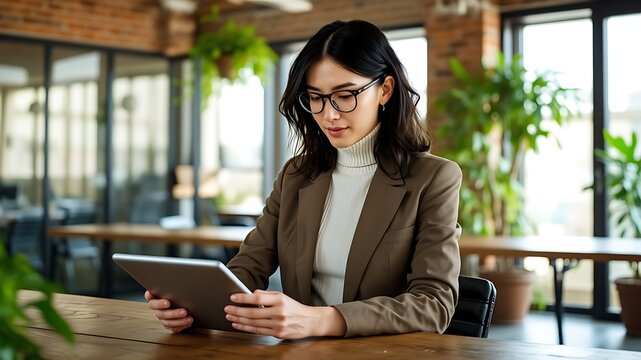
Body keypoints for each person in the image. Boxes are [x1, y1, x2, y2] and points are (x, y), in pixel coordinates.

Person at [146, 19, 462, 339]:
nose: (329, 114)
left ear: (385, 90)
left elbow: (434, 304)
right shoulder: (297, 175)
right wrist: (193, 305)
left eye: (345, 95)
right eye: (316, 97)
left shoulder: (433, 178)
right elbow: (248, 267)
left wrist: (322, 320)